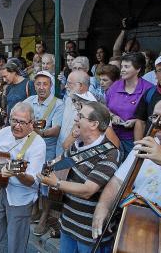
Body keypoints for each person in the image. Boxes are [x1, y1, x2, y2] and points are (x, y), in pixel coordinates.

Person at [38, 101, 120, 252]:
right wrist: (42, 167)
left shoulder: (110, 153)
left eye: (81, 116)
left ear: (94, 124)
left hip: (89, 235)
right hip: (68, 224)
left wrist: (57, 183)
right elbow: (58, 164)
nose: (76, 118)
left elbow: (88, 190)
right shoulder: (78, 145)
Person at [0, 102, 46, 253]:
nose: (17, 125)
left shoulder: (37, 144)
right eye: (14, 120)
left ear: (31, 124)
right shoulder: (4, 132)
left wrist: (17, 173)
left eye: (22, 122)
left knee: (16, 241)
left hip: (20, 198)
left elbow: (32, 180)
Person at [92, 101, 161, 248]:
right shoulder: (145, 145)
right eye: (155, 116)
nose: (157, 122)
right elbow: (117, 181)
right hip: (135, 225)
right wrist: (103, 206)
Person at [23, 71, 64, 236]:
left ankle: (45, 215)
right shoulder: (28, 101)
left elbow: (56, 130)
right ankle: (35, 209)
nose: (41, 87)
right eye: (38, 84)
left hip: (48, 150)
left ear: (51, 86)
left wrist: (41, 133)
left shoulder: (58, 104)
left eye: (45, 84)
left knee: (46, 183)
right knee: (32, 178)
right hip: (30, 148)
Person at [106, 52, 153, 159]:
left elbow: (153, 117)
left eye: (126, 66)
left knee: (129, 171)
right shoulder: (115, 86)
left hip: (134, 140)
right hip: (111, 136)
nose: (122, 69)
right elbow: (105, 108)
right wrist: (113, 116)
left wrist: (136, 121)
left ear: (138, 69)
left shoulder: (148, 89)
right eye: (122, 66)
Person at [134, 56, 161, 140]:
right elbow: (140, 122)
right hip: (150, 145)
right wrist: (138, 148)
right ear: (156, 74)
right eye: (160, 70)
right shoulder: (149, 93)